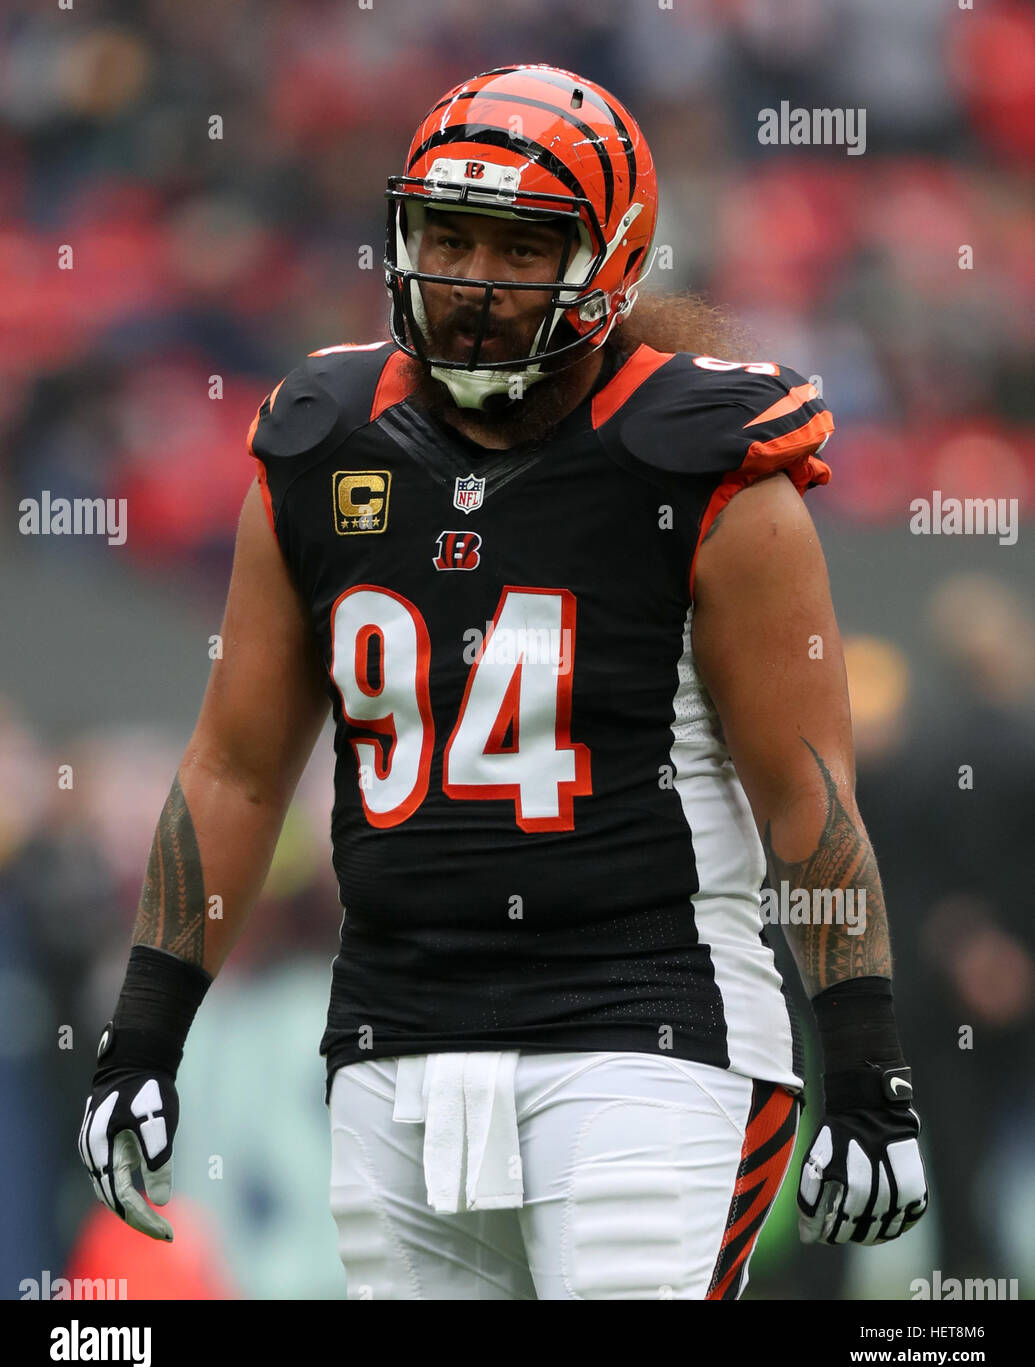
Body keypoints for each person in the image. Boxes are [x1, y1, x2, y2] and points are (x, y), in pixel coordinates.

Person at [78, 64, 927, 1300]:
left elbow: (807, 803)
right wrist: (144, 1032)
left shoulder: (703, 466)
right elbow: (237, 766)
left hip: (649, 1036)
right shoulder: (321, 438)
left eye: (519, 247)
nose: (472, 281)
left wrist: (868, 1059)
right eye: (449, 234)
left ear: (607, 259)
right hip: (391, 1042)